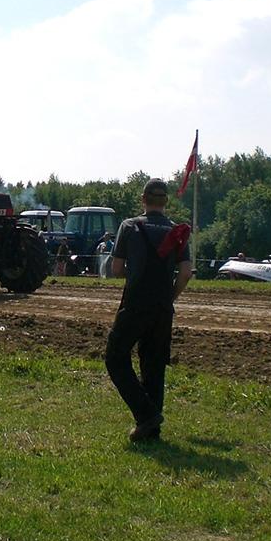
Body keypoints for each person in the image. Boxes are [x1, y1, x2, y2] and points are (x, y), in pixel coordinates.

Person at [105, 178, 193, 442]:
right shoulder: (177, 231)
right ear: (165, 201)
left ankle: (145, 415)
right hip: (163, 307)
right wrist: (169, 296)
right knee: (154, 364)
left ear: (143, 199)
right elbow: (186, 272)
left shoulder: (130, 226)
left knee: (116, 357)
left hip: (135, 303)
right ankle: (151, 430)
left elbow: (117, 269)